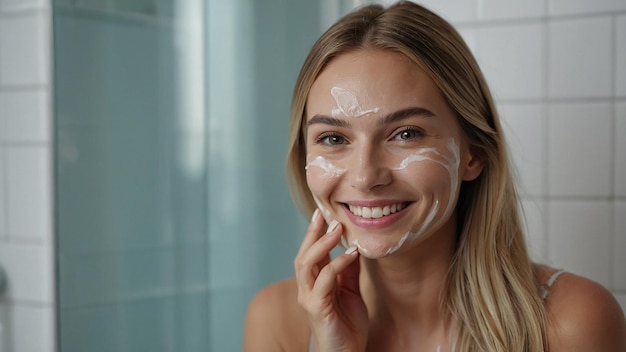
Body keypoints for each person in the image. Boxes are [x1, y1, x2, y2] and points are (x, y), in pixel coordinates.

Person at [243, 1, 626, 351]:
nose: (364, 176)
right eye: (333, 138)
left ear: (474, 153)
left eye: (406, 134)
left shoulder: (571, 323)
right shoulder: (277, 321)